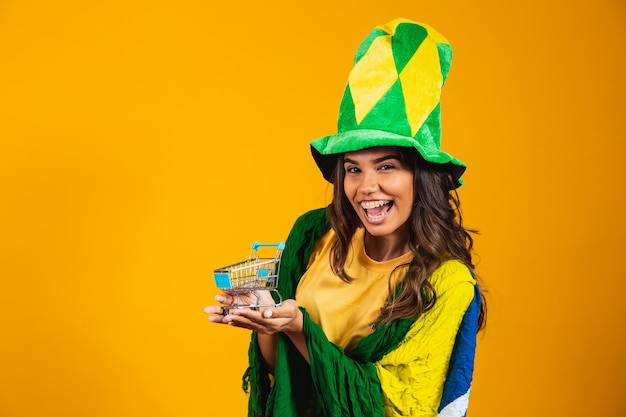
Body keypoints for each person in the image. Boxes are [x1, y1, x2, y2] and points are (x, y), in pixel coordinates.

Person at [205, 17, 486, 417]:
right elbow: (279, 375)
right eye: (353, 169)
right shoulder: (315, 233)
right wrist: (268, 323)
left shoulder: (448, 282)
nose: (365, 186)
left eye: (386, 166)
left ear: (422, 177)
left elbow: (400, 406)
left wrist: (301, 329)